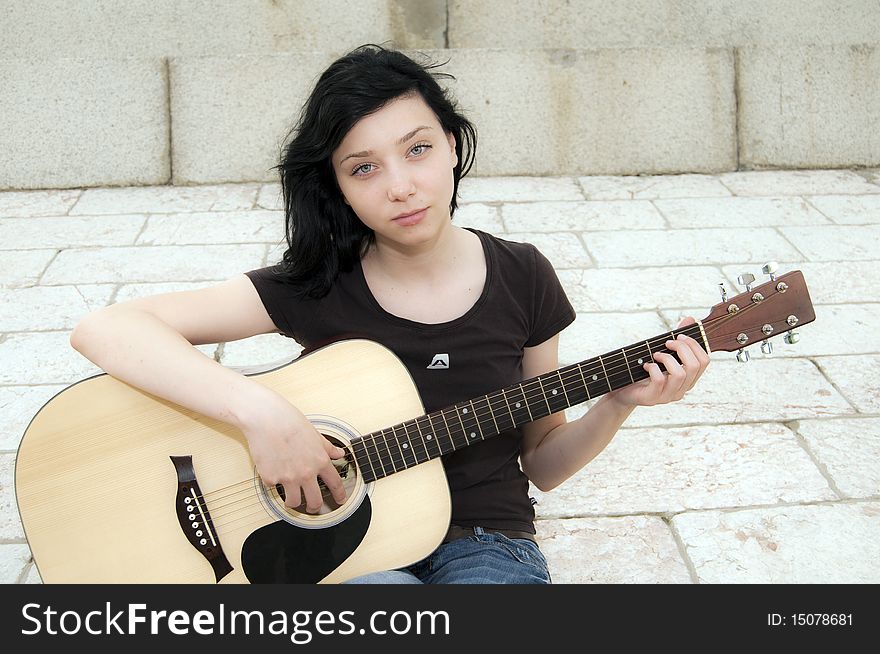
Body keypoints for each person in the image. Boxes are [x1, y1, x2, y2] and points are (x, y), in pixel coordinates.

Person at [70, 44, 710, 584]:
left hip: (484, 541)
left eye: (418, 150)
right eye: (364, 167)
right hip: (345, 548)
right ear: (339, 188)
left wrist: (617, 402)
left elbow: (541, 463)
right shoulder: (319, 285)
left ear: (454, 146)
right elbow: (104, 329)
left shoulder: (523, 275)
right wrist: (264, 416)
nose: (400, 186)